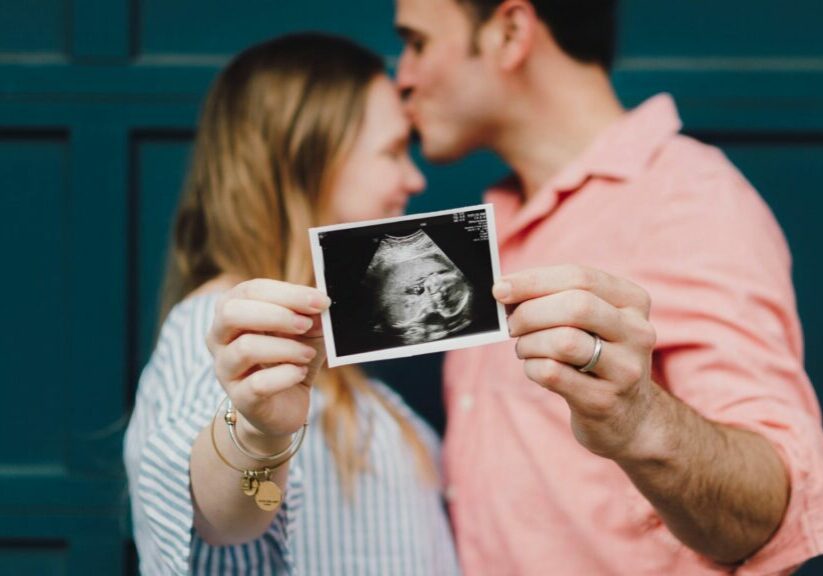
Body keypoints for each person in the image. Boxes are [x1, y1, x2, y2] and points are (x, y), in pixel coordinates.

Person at [393, 0, 823, 574]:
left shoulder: (686, 199)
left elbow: (774, 512)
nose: (403, 76)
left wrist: (638, 419)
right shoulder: (490, 226)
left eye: (418, 43)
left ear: (511, 31)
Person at [124, 33, 460, 575]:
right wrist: (259, 432)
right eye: (393, 151)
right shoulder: (220, 333)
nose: (414, 178)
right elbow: (225, 518)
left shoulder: (338, 364)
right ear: (309, 158)